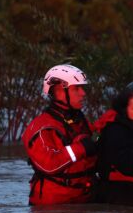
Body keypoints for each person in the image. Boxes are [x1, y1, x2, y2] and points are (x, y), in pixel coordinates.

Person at [22, 64, 98, 205]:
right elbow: (49, 164)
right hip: (51, 210)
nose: (83, 93)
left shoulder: (78, 121)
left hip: (82, 201)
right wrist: (81, 148)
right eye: (77, 88)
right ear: (59, 91)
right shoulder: (41, 127)